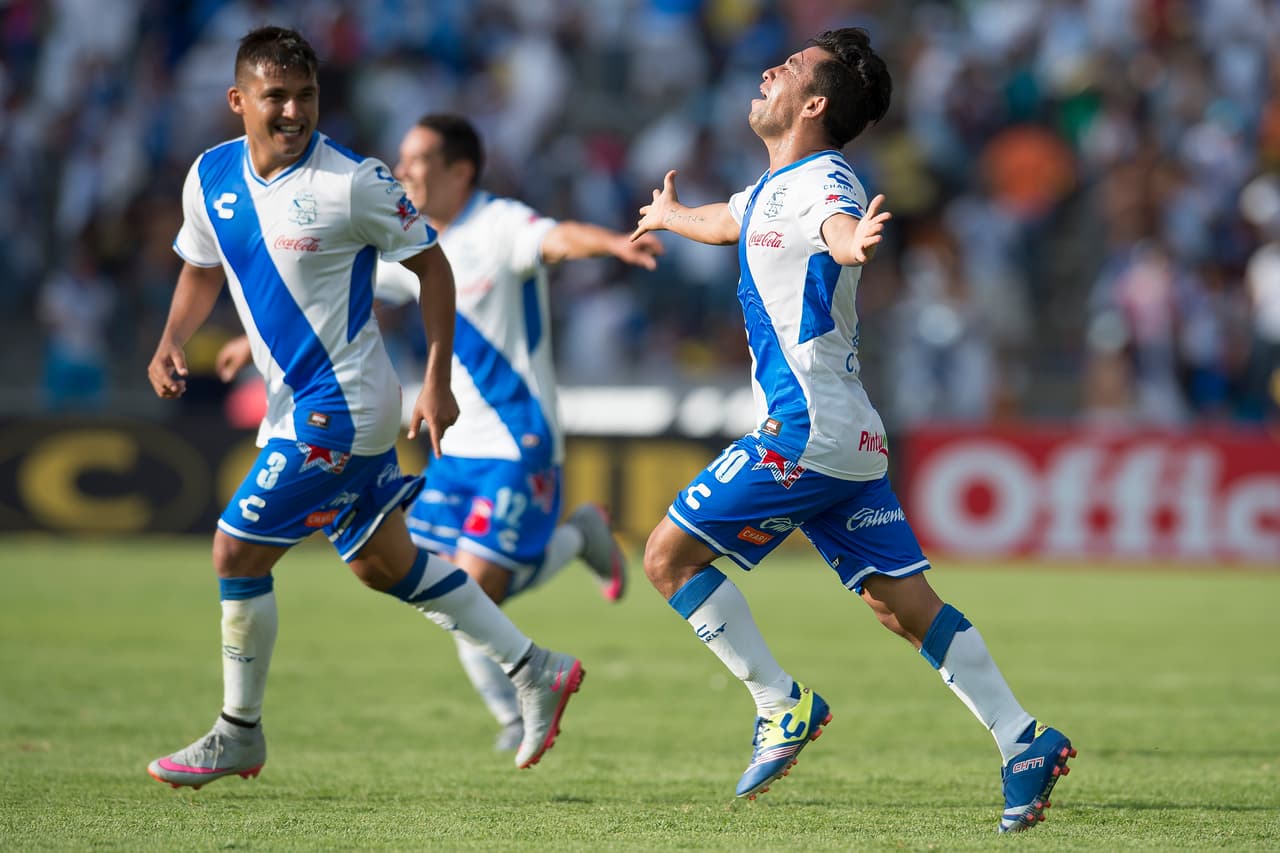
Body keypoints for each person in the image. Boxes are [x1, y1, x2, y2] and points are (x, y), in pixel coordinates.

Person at [629, 28, 1075, 833]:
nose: (769, 69)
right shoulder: (773, 188)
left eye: (789, 67)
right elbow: (728, 220)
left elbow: (837, 224)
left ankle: (781, 703)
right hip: (848, 436)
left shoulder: (826, 180)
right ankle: (1024, 739)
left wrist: (853, 242)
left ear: (814, 103)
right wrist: (669, 215)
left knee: (666, 554)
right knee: (901, 603)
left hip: (802, 429)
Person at [144, 25, 584, 789]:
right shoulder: (208, 175)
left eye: (305, 95)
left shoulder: (352, 182)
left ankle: (238, 730)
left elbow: (434, 269)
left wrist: (438, 377)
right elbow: (202, 266)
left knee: (234, 549)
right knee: (386, 564)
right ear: (237, 100)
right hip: (296, 407)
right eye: (275, 96)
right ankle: (535, 666)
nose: (292, 111)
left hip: (343, 406)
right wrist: (171, 337)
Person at [217, 113, 662, 752]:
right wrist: (244, 338)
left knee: (479, 589)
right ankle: (571, 551)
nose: (403, 172)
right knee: (437, 586)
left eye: (417, 159)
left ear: (459, 170)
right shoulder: (411, 242)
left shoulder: (498, 223)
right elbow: (351, 294)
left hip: (517, 441)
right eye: (400, 158)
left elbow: (558, 237)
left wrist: (613, 243)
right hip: (449, 445)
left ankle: (530, 670)